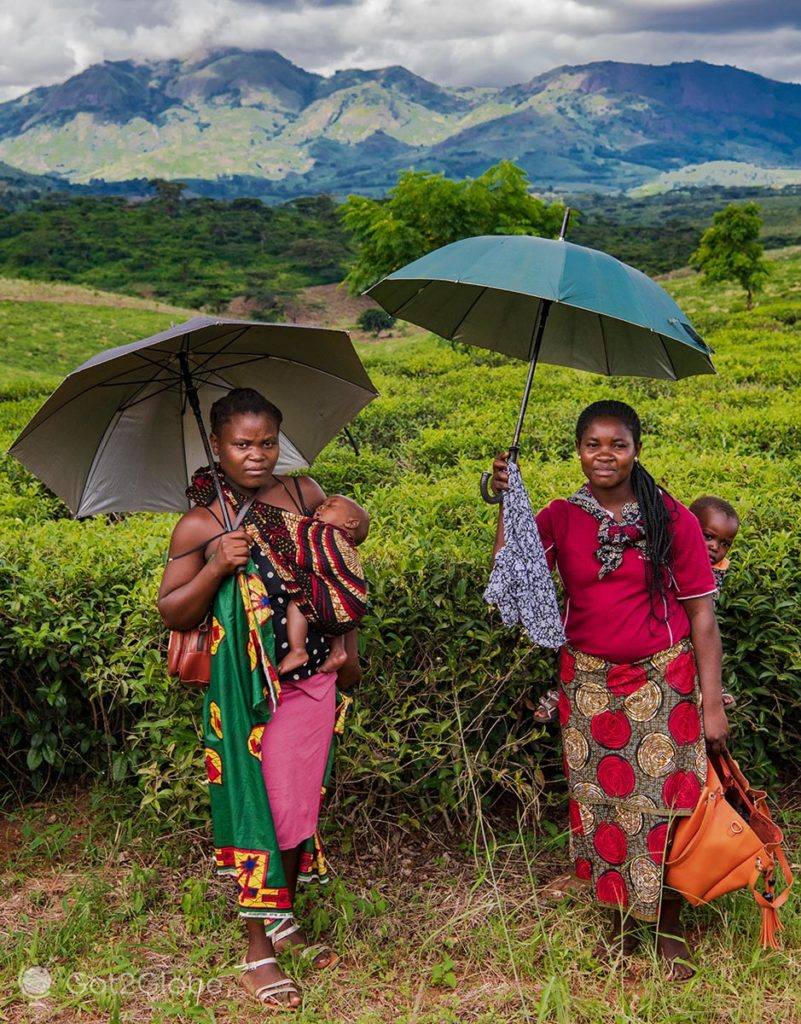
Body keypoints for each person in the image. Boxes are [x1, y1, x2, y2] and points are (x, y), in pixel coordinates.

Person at [489, 400, 729, 981]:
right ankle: (622, 922)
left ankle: (669, 925)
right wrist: (506, 501)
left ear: (636, 449)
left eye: (617, 444)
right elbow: (511, 565)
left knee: (670, 802)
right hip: (589, 683)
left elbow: (702, 617)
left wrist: (712, 701)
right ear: (579, 450)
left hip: (663, 679)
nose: (605, 454)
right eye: (594, 443)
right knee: (603, 805)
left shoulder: (672, 519)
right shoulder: (561, 516)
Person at [158, 388, 362, 1009]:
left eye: (267, 442)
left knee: (299, 802)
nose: (256, 456)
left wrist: (349, 643)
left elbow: (337, 561)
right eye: (242, 444)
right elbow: (171, 608)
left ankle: (282, 915)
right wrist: (216, 565)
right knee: (260, 807)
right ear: (216, 446)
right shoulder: (201, 522)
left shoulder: (302, 495)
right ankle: (257, 949)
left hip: (311, 679)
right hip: (244, 691)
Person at [268, 493, 370, 676]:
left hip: (334, 607)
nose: (320, 507)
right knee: (334, 599)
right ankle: (338, 650)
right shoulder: (346, 546)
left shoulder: (326, 536)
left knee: (298, 604)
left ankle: (298, 650)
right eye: (322, 504)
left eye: (330, 505)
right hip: (342, 613)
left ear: (351, 523)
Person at [690, 495, 740, 708]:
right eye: (708, 536)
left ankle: (712, 693)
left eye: (725, 544)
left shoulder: (717, 569)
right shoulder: (673, 556)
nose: (715, 547)